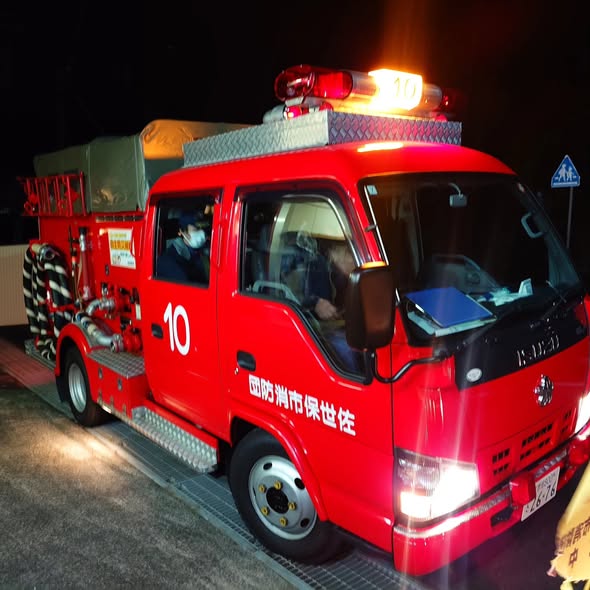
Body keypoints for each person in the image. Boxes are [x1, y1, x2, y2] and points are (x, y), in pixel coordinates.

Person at [157, 213, 209, 283]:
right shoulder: (169, 262)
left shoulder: (204, 252)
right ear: (182, 232)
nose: (202, 233)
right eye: (196, 229)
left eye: (203, 229)